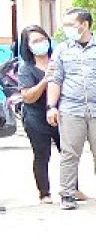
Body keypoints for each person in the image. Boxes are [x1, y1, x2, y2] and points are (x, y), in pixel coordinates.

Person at [46, 7, 96, 210]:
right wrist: (51, 106)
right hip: (71, 108)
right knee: (69, 153)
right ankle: (67, 193)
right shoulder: (62, 49)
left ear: (85, 25)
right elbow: (55, 79)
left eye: (70, 25)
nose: (66, 29)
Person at [16, 25, 60, 203]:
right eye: (35, 41)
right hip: (35, 116)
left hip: (60, 114)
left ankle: (72, 188)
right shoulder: (26, 69)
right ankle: (44, 192)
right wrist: (45, 80)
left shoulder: (58, 61)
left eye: (42, 39)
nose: (41, 43)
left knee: (69, 152)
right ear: (27, 46)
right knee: (42, 154)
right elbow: (27, 96)